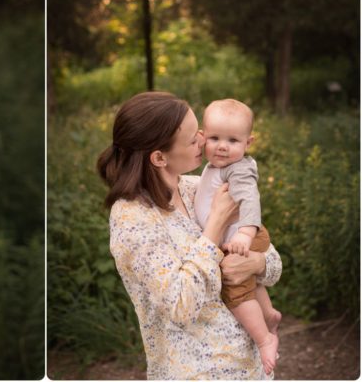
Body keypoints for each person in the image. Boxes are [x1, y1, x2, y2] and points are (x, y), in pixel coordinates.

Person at [96, 91, 282, 379]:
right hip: (198, 373)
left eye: (201, 132)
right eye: (193, 138)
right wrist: (215, 225)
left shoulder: (198, 186)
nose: (205, 141)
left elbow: (272, 263)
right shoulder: (132, 218)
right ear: (159, 157)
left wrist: (256, 264)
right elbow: (181, 305)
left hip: (252, 367)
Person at [193, 98, 281, 374]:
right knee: (247, 279)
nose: (222, 145)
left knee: (234, 290)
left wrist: (245, 233)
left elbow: (250, 200)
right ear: (203, 137)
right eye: (215, 137)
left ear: (248, 143)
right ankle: (268, 314)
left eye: (232, 140)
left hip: (243, 237)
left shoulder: (238, 168)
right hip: (234, 237)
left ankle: (265, 339)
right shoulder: (215, 166)